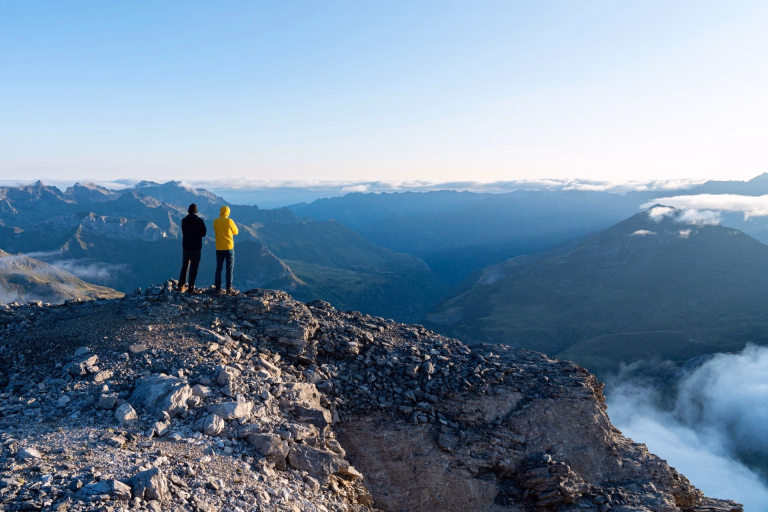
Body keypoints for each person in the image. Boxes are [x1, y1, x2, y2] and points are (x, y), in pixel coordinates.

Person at [178, 203, 207, 293]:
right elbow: (203, 233)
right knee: (194, 267)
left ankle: (181, 285)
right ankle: (191, 287)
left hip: (186, 247)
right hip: (196, 247)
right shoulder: (200, 221)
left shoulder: (183, 220)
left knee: (185, 266)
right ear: (196, 211)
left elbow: (183, 231)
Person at [213, 205, 239, 294]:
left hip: (219, 247)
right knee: (229, 268)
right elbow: (236, 232)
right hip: (228, 248)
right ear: (228, 212)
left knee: (219, 268)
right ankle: (228, 288)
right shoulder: (229, 221)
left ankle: (217, 287)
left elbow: (215, 229)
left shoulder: (216, 221)